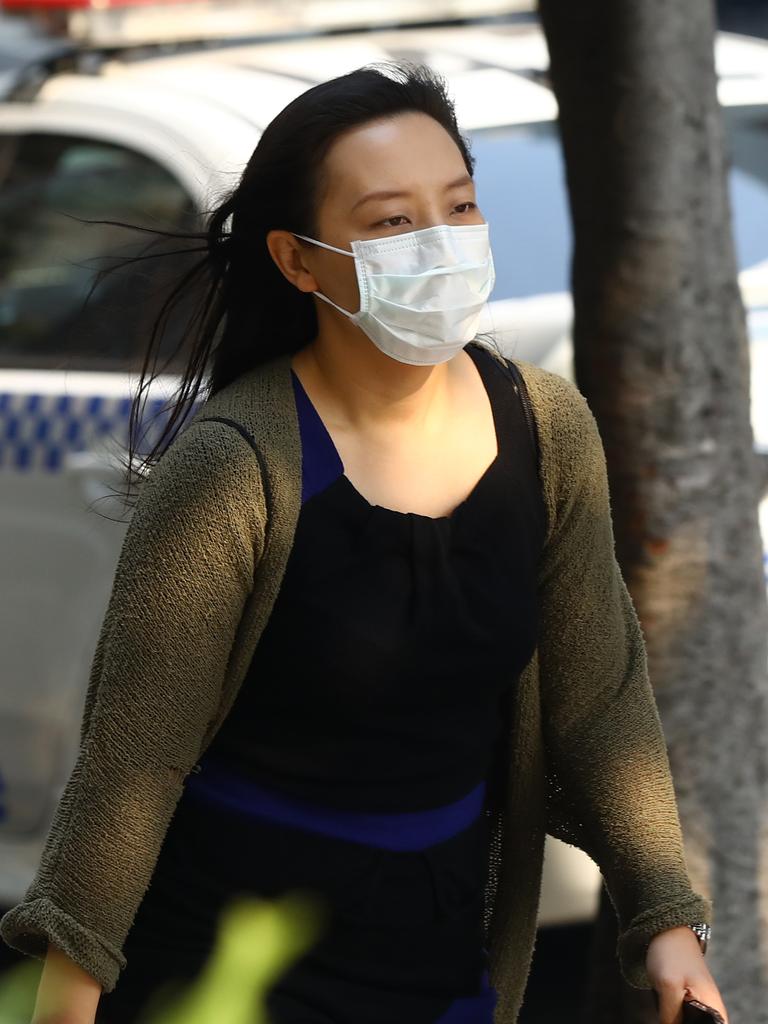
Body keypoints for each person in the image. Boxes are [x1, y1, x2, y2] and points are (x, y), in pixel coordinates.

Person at [0, 62, 728, 1024]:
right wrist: (67, 1000)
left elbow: (600, 699)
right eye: (390, 221)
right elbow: (133, 763)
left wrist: (664, 916)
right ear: (297, 262)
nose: (439, 243)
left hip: (439, 952)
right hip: (237, 959)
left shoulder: (546, 427)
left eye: (459, 206)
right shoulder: (238, 466)